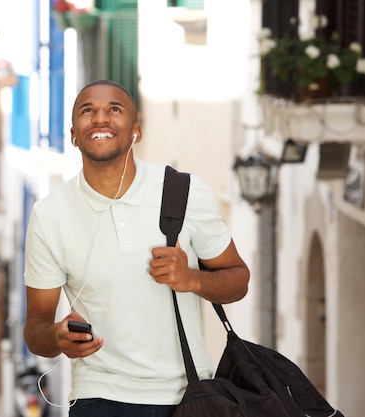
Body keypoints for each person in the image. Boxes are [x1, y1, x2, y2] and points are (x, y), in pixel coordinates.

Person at [23, 79, 250, 417]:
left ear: (136, 132)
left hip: (189, 395)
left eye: (114, 110)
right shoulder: (49, 215)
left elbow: (238, 279)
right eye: (88, 111)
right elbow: (35, 326)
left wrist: (192, 279)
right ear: (73, 134)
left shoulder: (184, 192)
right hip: (99, 398)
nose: (100, 119)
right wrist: (57, 336)